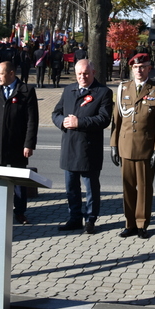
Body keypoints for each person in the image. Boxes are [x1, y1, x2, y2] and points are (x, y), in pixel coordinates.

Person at [51, 60, 113, 234]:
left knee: (91, 188)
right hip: (69, 146)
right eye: (79, 74)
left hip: (89, 149)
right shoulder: (68, 90)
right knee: (71, 186)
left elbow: (104, 119)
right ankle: (74, 218)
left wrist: (79, 122)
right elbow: (56, 113)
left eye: (86, 73)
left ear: (93, 72)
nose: (82, 77)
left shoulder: (103, 92)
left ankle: (90, 219)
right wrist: (62, 122)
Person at [110, 53, 155, 239]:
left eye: (142, 67)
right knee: (127, 187)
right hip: (125, 146)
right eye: (136, 67)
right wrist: (113, 145)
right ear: (131, 68)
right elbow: (116, 121)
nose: (139, 70)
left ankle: (142, 223)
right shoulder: (122, 89)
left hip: (146, 147)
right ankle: (130, 223)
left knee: (144, 188)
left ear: (149, 68)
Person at [0, 60, 39, 224]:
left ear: (11, 73)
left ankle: (19, 212)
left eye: (0, 73)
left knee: (18, 180)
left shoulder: (26, 91)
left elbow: (32, 121)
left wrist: (29, 144)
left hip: (18, 144)